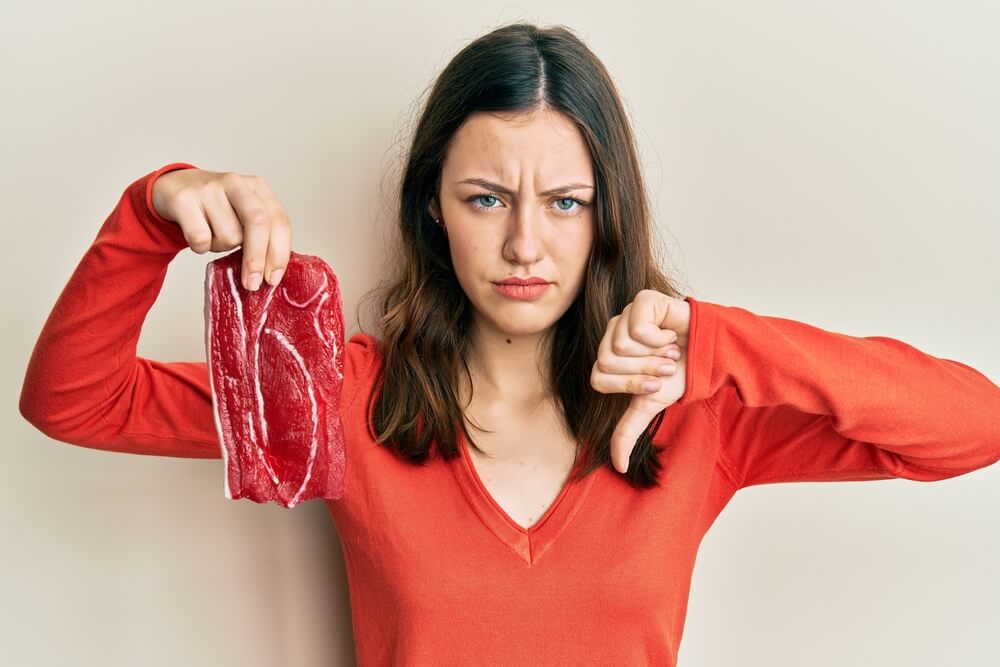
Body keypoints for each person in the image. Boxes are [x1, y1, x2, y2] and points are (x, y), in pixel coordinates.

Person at [18, 21, 1000, 666]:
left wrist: (719, 340)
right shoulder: (347, 396)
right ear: (433, 212)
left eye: (564, 203)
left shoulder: (694, 415)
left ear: (604, 217)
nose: (525, 243)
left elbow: (973, 426)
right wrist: (155, 208)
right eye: (485, 198)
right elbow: (74, 402)